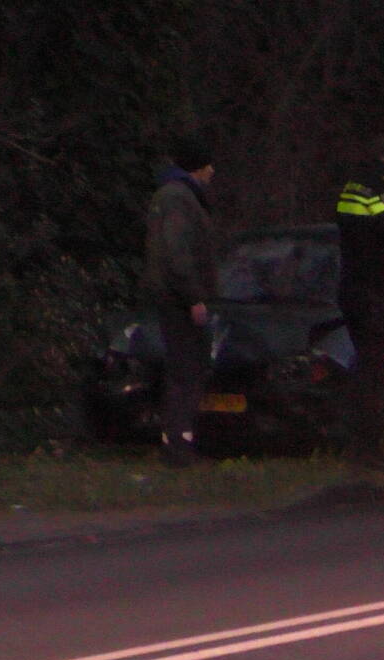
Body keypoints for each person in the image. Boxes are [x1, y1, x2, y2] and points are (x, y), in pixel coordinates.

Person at [334, 134, 384, 474]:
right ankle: (374, 444)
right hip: (378, 292)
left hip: (353, 288)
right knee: (377, 370)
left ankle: (360, 442)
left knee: (364, 366)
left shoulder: (353, 186)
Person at [140, 134, 217, 468]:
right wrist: (194, 297)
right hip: (179, 298)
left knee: (185, 368)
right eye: (209, 164)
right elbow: (177, 253)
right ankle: (178, 445)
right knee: (186, 370)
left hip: (175, 296)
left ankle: (179, 441)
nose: (214, 171)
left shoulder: (175, 196)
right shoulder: (178, 198)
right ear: (199, 167)